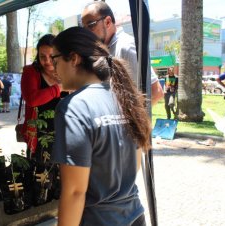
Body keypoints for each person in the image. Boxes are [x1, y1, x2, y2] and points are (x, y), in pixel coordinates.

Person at [51, 27, 151, 226]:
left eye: (55, 61)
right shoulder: (125, 97)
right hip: (135, 216)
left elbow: (75, 191)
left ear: (74, 58)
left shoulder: (73, 107)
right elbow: (135, 165)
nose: (54, 69)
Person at [81, 1, 164, 106]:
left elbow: (155, 92)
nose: (86, 32)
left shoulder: (126, 47)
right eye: (84, 28)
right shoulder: (103, 51)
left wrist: (125, 119)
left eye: (91, 25)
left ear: (107, 22)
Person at [21, 34, 63, 160]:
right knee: (41, 176)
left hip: (66, 136)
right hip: (40, 137)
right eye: (42, 56)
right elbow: (32, 100)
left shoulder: (67, 70)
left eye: (51, 56)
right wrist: (59, 88)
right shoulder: (31, 72)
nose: (47, 61)